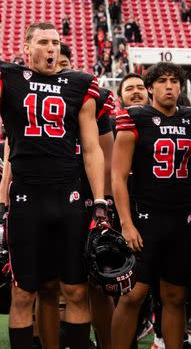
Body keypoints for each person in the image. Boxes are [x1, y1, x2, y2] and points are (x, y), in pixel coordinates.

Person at [0, 22, 105, 349]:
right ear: (27, 48)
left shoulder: (79, 84)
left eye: (56, 43)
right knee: (23, 292)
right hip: (26, 197)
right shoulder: (11, 79)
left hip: (68, 196)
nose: (51, 48)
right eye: (43, 42)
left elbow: (91, 148)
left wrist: (99, 201)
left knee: (75, 289)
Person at [109, 63, 191, 349]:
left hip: (181, 219)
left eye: (174, 81)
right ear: (150, 88)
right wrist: (126, 223)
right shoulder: (135, 118)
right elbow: (118, 177)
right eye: (162, 81)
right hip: (147, 218)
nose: (170, 86)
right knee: (133, 295)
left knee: (175, 296)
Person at [54, 45, 117, 349]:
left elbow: (106, 158)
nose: (63, 71)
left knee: (98, 286)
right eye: (58, 66)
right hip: (50, 197)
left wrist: (103, 202)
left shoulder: (93, 100)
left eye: (67, 65)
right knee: (52, 285)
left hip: (88, 201)